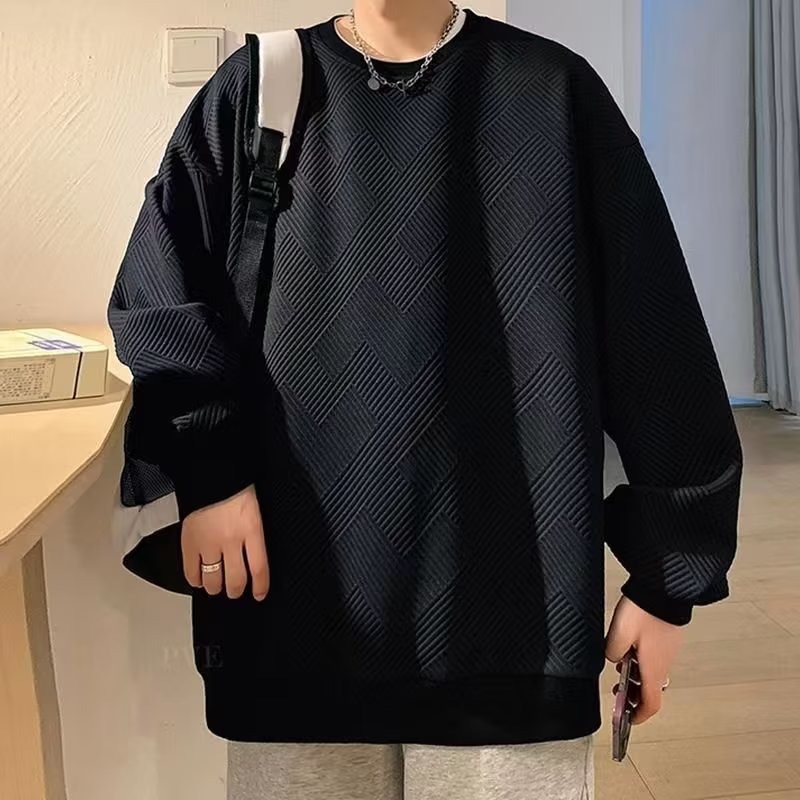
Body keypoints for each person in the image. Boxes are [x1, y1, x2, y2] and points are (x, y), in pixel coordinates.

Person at [107, 1, 744, 798]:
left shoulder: (551, 93)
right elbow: (161, 295)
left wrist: (666, 583)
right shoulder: (261, 90)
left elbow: (657, 340)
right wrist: (212, 473)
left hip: (513, 619)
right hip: (296, 610)